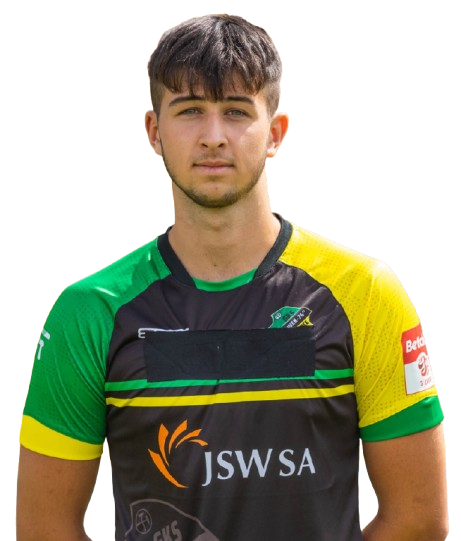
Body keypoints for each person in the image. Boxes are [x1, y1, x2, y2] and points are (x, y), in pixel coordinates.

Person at [16, 13, 448, 541]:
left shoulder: (366, 292)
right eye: (190, 110)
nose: (213, 137)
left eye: (236, 111)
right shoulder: (89, 311)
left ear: (275, 133)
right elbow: (45, 529)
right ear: (153, 131)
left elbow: (418, 519)